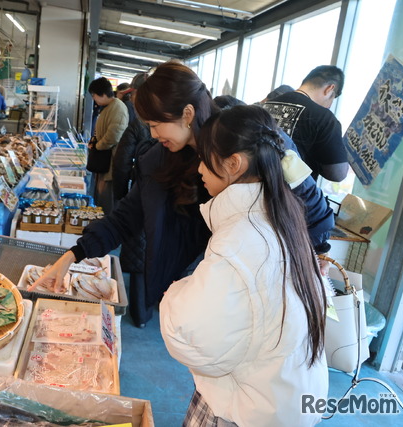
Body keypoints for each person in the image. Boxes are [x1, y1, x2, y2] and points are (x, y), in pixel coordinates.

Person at [30, 62, 333, 326]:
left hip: (255, 293)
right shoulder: (161, 160)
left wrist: (319, 251)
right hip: (192, 290)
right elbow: (126, 217)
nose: (151, 134)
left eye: (155, 124)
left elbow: (311, 205)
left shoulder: (248, 140)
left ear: (187, 114)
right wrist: (74, 254)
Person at [160, 105, 328, 426]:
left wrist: (175, 293)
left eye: (205, 159)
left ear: (233, 164)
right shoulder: (283, 216)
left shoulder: (240, 238)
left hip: (242, 409)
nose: (199, 169)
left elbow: (191, 337)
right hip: (282, 401)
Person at [112, 72, 157, 327]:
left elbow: (121, 160)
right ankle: (148, 311)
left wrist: (121, 195)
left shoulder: (139, 120)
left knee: (140, 255)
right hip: (163, 205)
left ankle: (139, 314)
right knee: (153, 252)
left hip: (141, 194)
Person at [263, 65, 349, 181]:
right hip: (291, 196)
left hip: (255, 187)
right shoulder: (324, 117)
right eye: (333, 97)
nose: (330, 105)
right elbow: (337, 174)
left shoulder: (264, 106)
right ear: (329, 89)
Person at [87, 77, 129, 215]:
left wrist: (97, 146)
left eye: (94, 96)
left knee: (106, 199)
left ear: (102, 94)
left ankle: (105, 227)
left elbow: (113, 136)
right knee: (101, 197)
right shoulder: (108, 107)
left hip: (110, 162)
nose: (94, 100)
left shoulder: (118, 108)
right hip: (104, 161)